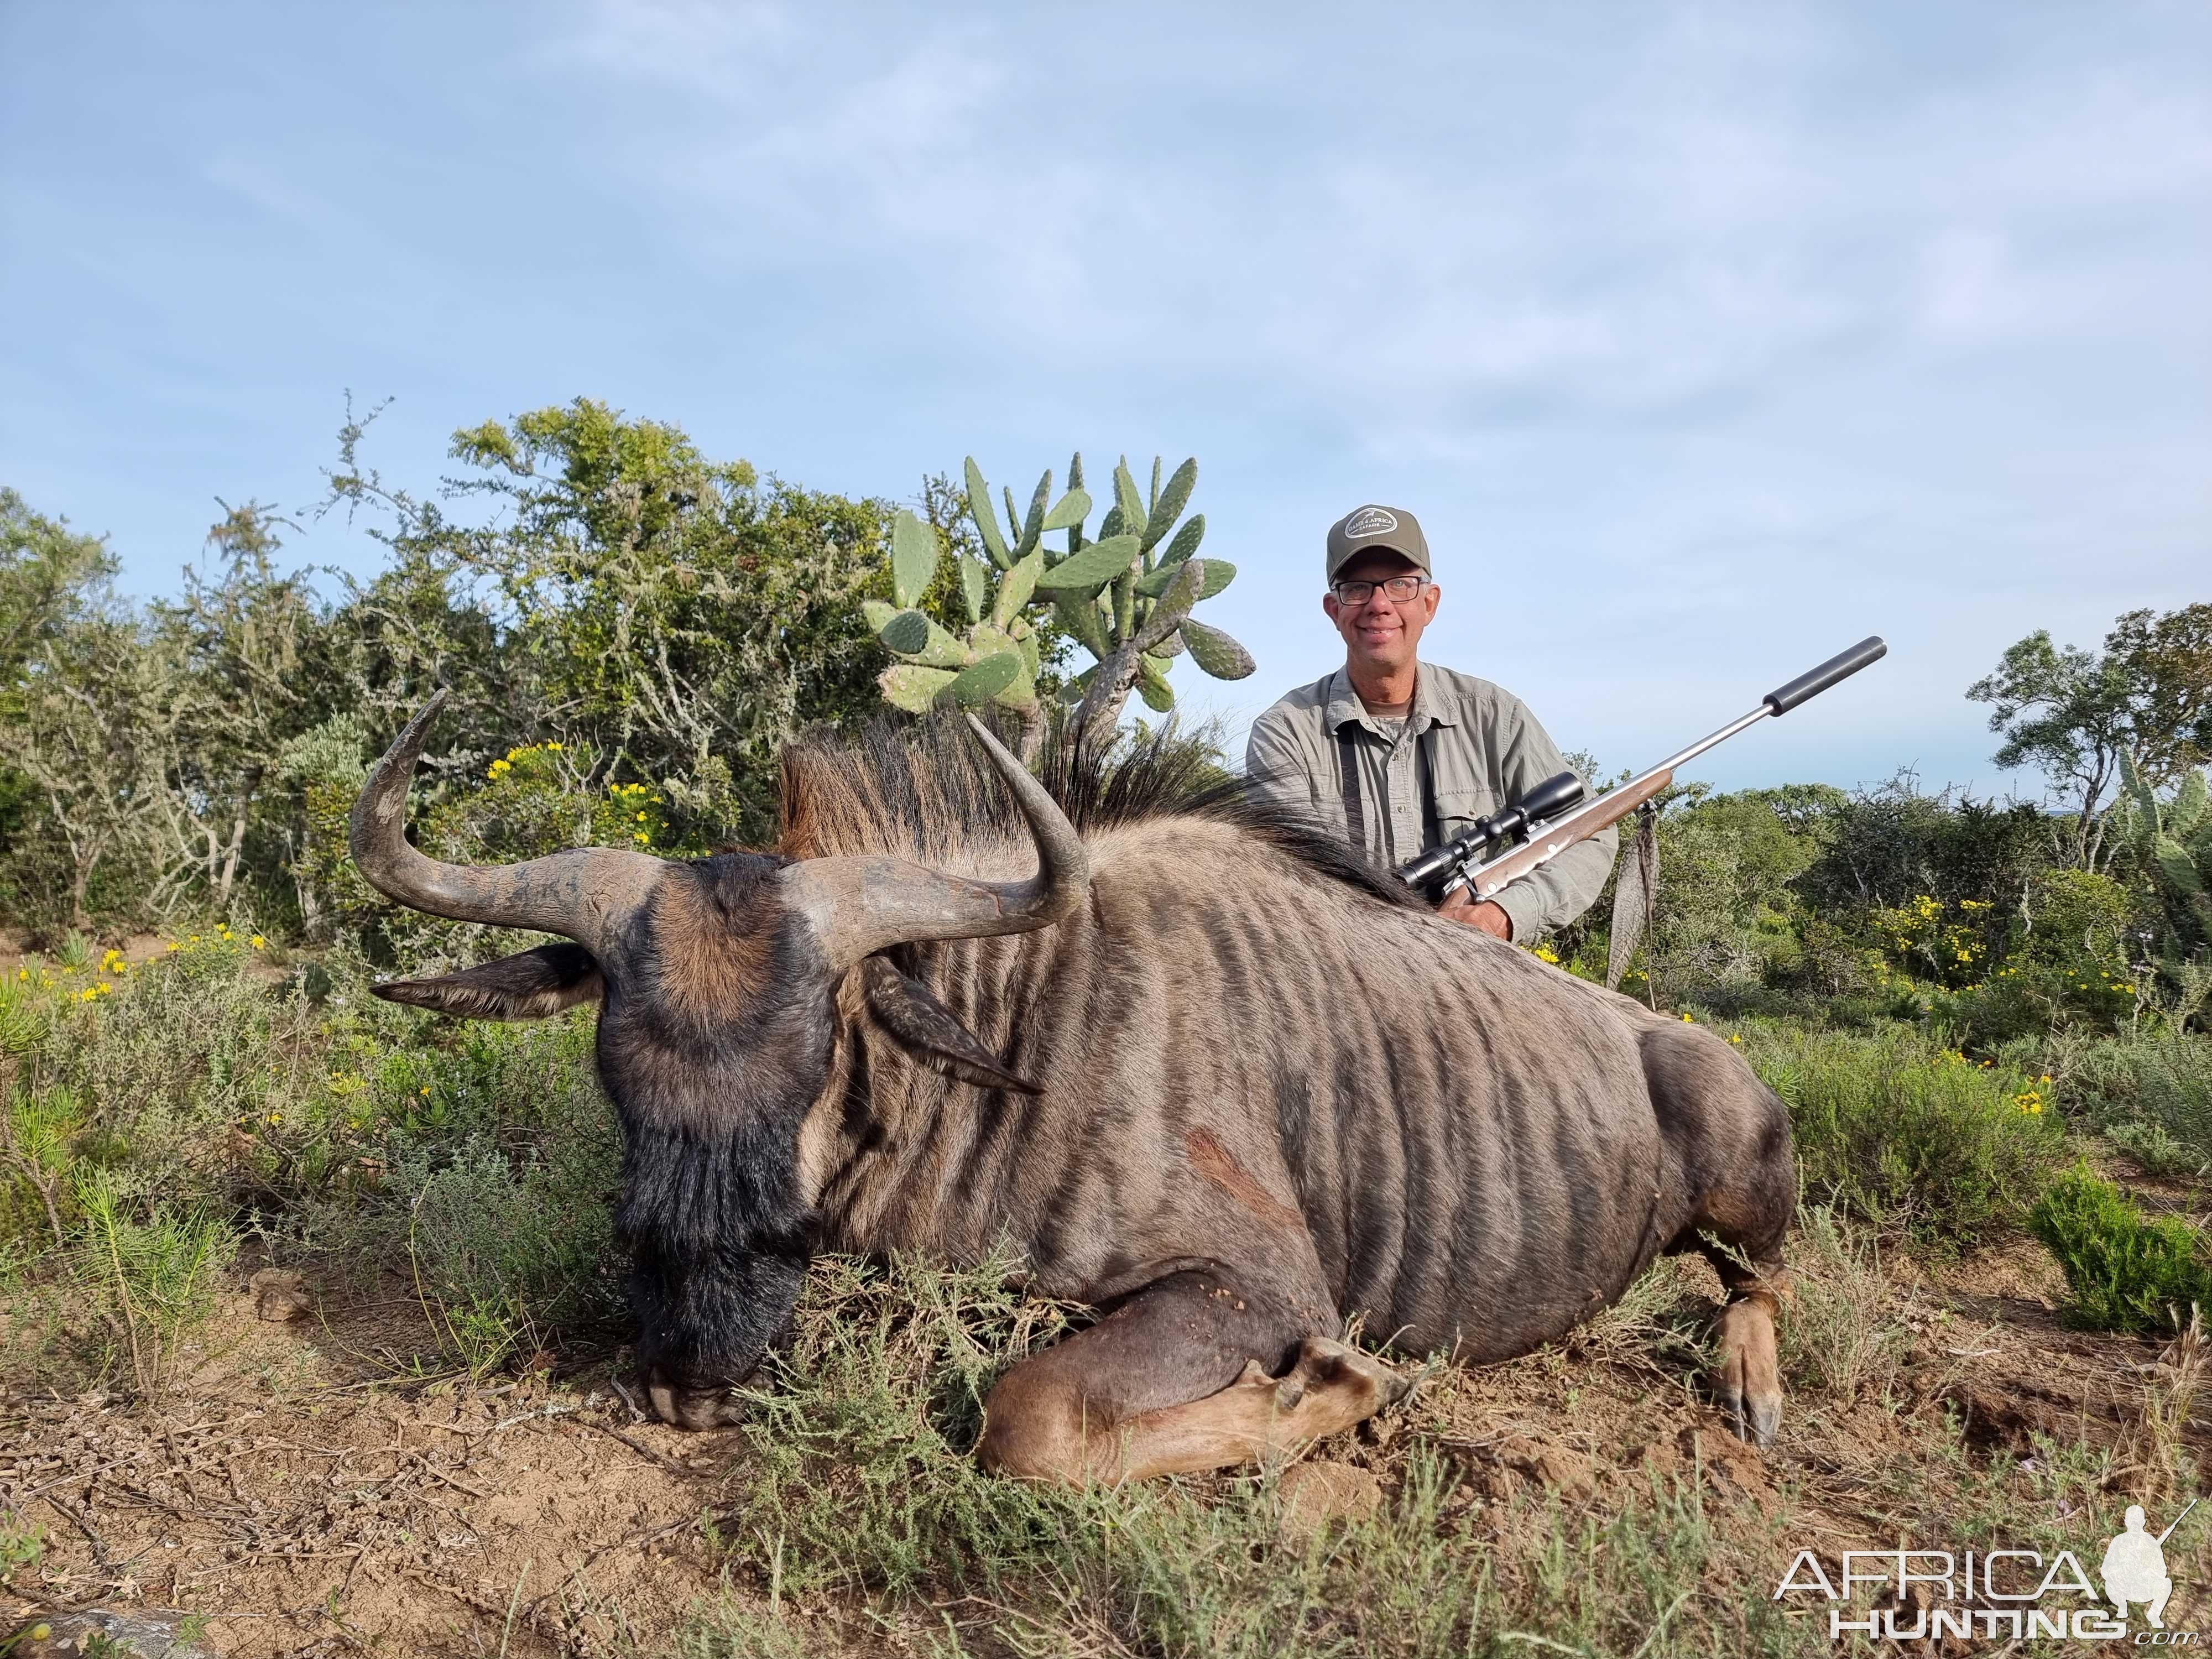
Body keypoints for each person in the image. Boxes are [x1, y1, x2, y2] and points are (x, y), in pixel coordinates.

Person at [1245, 503, 1615, 942]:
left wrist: (1502, 914)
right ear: (1333, 609)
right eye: (1358, 589)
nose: (1379, 605)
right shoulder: (1286, 733)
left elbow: (1590, 833)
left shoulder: (1496, 715)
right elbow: (1288, 890)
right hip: (1346, 982)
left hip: (1481, 976)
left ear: (1430, 603)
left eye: (1400, 585)